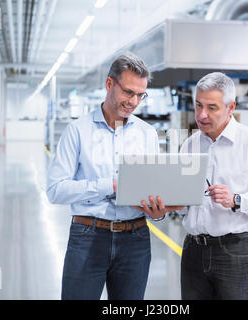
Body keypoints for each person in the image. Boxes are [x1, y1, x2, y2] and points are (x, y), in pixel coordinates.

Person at [46, 52, 182, 300]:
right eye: (129, 92)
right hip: (88, 237)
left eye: (141, 95)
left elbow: (153, 188)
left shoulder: (147, 134)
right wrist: (110, 186)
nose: (134, 101)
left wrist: (158, 211)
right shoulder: (77, 131)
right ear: (110, 84)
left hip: (136, 239)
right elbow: (56, 190)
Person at [178, 72, 248, 300]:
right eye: (198, 105)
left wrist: (237, 200)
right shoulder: (190, 145)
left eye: (212, 107)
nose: (202, 115)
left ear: (231, 107)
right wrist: (171, 204)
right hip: (193, 250)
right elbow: (184, 204)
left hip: (234, 252)